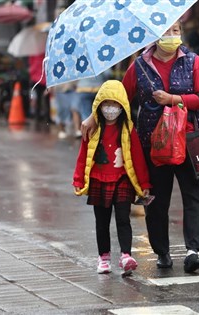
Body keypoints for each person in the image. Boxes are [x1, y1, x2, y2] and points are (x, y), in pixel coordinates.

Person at [81, 21, 199, 273]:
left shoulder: (192, 61)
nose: (172, 36)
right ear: (154, 36)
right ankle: (162, 252)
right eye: (167, 31)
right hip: (152, 145)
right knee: (156, 201)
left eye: (176, 31)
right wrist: (94, 116)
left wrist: (173, 99)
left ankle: (193, 250)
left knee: (193, 196)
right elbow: (120, 97)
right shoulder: (139, 66)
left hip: (187, 141)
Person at [73, 80, 151, 275]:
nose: (111, 109)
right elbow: (84, 156)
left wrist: (144, 183)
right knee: (102, 222)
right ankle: (104, 257)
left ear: (123, 106)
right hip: (99, 180)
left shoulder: (128, 129)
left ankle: (126, 255)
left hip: (122, 180)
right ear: (99, 105)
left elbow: (137, 158)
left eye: (115, 104)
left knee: (123, 219)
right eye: (106, 104)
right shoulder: (92, 129)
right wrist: (78, 179)